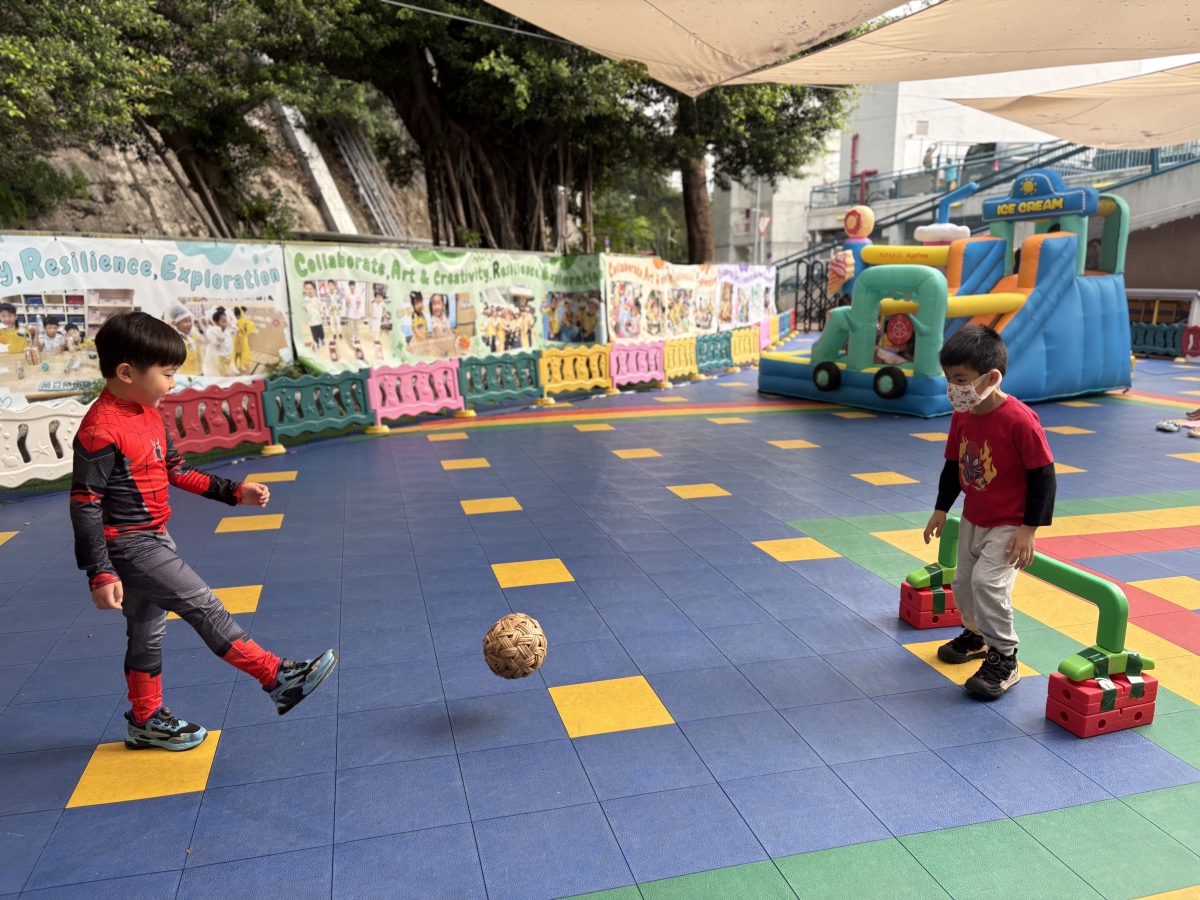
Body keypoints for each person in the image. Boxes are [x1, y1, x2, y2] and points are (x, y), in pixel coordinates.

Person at [71, 312, 337, 751]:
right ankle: (276, 676)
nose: (173, 383)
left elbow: (177, 470)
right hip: (130, 546)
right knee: (203, 604)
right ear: (127, 372)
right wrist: (99, 571)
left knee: (146, 633)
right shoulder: (100, 430)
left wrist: (234, 492)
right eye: (167, 374)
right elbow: (85, 504)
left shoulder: (148, 414)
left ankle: (146, 720)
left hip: (155, 537)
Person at [923, 324, 1056, 700]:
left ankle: (1006, 657)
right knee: (963, 583)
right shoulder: (962, 416)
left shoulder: (1020, 420)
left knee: (988, 583)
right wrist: (940, 508)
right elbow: (953, 465)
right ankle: (978, 635)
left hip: (1010, 522)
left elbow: (1044, 476)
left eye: (960, 379)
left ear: (991, 378)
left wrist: (1029, 528)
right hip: (974, 516)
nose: (953, 388)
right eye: (949, 379)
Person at [165, 303, 202, 376]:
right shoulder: (176, 340)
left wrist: (200, 329)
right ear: (176, 323)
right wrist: (170, 331)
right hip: (184, 377)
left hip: (197, 374)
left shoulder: (190, 336)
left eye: (190, 321)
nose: (189, 324)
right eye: (186, 321)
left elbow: (203, 341)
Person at [202, 307, 237, 376]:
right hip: (220, 358)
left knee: (228, 373)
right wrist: (214, 325)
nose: (225, 324)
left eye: (226, 321)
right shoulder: (211, 331)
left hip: (228, 356)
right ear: (216, 322)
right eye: (223, 322)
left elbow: (235, 329)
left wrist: (229, 314)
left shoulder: (226, 330)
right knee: (225, 375)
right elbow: (220, 338)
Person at [232, 306, 257, 372]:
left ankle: (240, 364)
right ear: (235, 315)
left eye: (240, 315)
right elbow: (233, 331)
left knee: (241, 352)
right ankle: (234, 365)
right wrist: (238, 329)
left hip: (243, 338)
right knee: (236, 353)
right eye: (238, 315)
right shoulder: (233, 322)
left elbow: (246, 328)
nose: (239, 316)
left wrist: (246, 328)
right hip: (237, 339)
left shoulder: (243, 320)